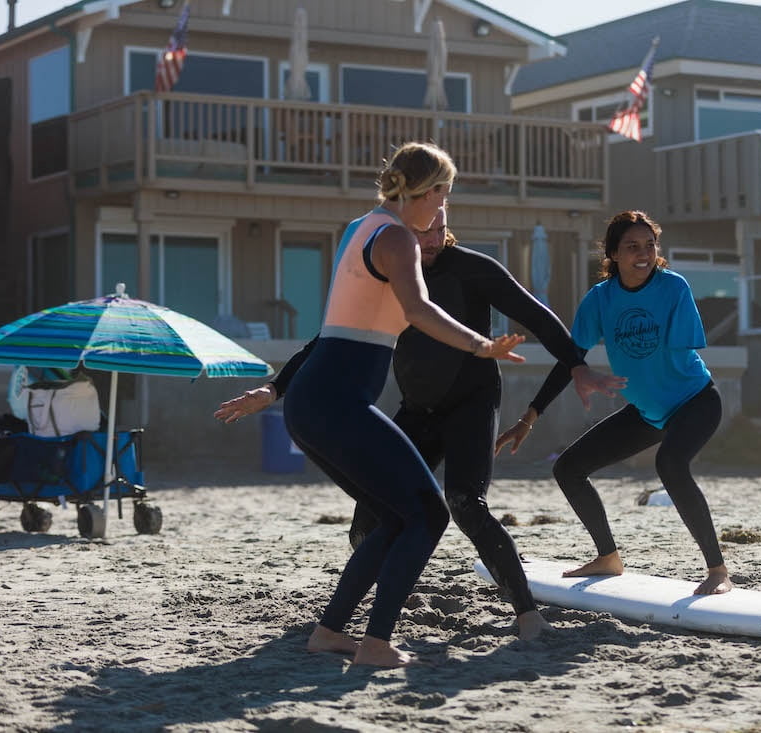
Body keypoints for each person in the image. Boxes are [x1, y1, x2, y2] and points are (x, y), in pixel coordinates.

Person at [216, 207, 621, 643]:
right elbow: (327, 339)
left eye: (439, 231)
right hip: (418, 407)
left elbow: (536, 315)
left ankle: (527, 614)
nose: (430, 241)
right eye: (421, 232)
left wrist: (577, 366)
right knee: (371, 516)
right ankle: (386, 591)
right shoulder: (388, 270)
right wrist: (274, 389)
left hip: (472, 402)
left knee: (465, 502)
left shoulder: (471, 268)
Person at [217, 141, 525, 668]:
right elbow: (418, 308)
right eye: (442, 195)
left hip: (319, 400)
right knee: (427, 514)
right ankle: (377, 643)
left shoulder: (362, 227)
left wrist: (276, 389)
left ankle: (330, 632)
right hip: (335, 401)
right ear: (425, 192)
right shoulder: (397, 237)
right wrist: (480, 345)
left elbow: (338, 327)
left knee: (393, 517)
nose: (443, 209)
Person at [496, 210, 733, 595]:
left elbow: (667, 357)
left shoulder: (674, 288)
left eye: (650, 245)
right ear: (613, 253)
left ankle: (718, 569)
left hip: (695, 401)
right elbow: (571, 361)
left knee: (670, 464)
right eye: (632, 246)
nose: (643, 253)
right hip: (646, 412)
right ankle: (608, 557)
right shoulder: (600, 300)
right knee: (569, 468)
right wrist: (530, 416)